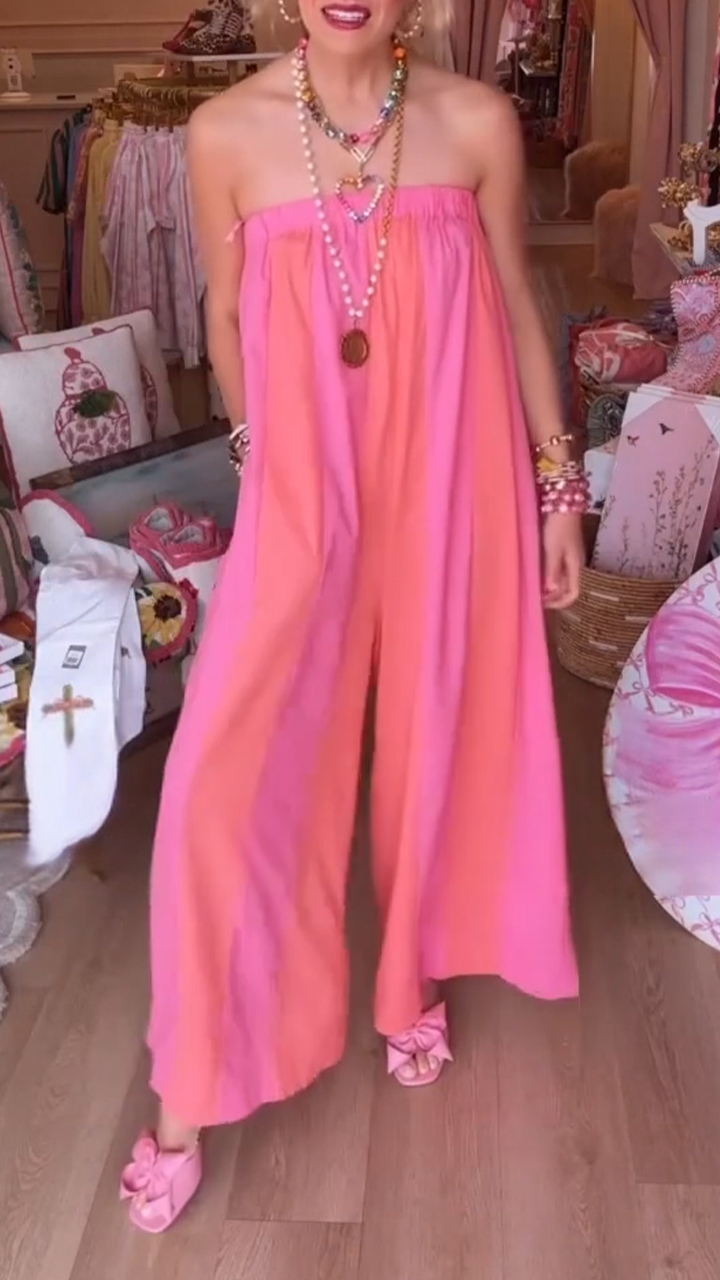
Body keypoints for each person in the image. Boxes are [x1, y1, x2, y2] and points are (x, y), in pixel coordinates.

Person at [120, 0, 585, 1233]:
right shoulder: (222, 132)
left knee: (441, 725)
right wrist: (261, 454)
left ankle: (407, 978)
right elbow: (226, 316)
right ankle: (191, 1087)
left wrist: (557, 486)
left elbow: (516, 300)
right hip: (302, 486)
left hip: (455, 467)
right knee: (227, 769)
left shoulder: (476, 121)